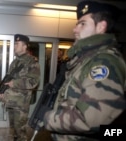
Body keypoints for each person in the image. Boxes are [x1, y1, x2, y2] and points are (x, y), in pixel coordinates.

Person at [39, 1, 126, 141]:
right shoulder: (85, 59)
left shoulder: (103, 62)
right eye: (77, 24)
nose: (75, 29)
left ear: (101, 26)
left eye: (83, 24)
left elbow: (90, 119)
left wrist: (48, 117)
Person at [0, 34, 40, 141]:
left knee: (21, 132)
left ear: (25, 46)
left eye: (17, 44)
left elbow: (34, 82)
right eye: (14, 43)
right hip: (11, 101)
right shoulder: (15, 62)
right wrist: (2, 91)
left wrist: (14, 83)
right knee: (14, 130)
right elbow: (8, 79)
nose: (14, 46)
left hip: (21, 104)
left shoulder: (32, 62)